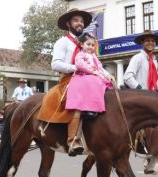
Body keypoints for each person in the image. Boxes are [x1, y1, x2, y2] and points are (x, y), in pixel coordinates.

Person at [38, 8, 112, 156]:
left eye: (82, 21)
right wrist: (76, 68)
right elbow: (55, 64)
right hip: (70, 79)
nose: (80, 23)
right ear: (68, 23)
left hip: (88, 79)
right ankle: (73, 141)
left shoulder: (86, 44)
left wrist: (107, 75)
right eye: (76, 20)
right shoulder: (62, 42)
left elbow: (97, 65)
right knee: (79, 102)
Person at [65, 32, 113, 121]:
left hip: (94, 74)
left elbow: (100, 67)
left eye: (92, 45)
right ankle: (90, 108)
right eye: (88, 44)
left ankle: (102, 105)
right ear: (82, 44)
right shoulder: (80, 54)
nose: (91, 47)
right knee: (94, 82)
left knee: (106, 83)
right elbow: (79, 64)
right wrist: (92, 71)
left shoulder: (94, 56)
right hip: (84, 74)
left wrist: (107, 74)